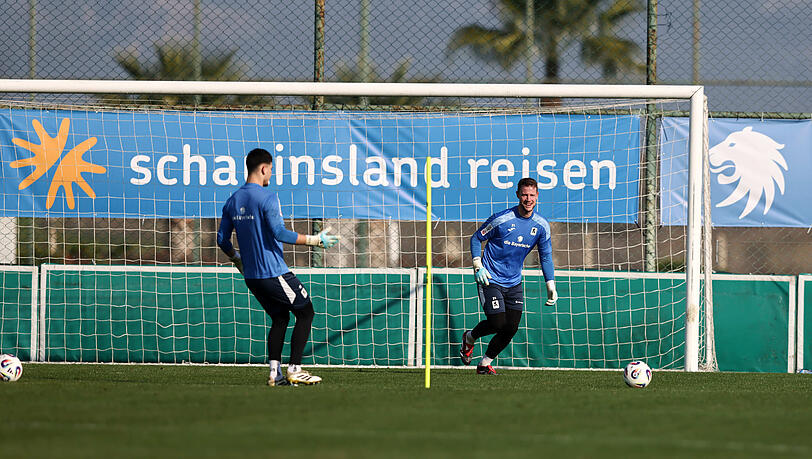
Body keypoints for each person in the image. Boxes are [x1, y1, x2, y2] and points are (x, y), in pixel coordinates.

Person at [217, 148, 339, 386]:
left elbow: (222, 240)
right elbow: (280, 233)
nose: (271, 174)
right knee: (306, 312)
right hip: (273, 272)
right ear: (263, 168)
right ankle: (295, 368)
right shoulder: (267, 197)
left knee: (280, 318)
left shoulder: (232, 200)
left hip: (252, 276)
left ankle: (275, 373)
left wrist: (238, 260)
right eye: (271, 169)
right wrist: (315, 240)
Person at [459, 177, 557, 375]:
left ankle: (484, 364)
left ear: (537, 196)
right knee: (497, 322)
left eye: (531, 195)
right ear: (517, 196)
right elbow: (476, 238)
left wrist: (550, 285)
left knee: (511, 327)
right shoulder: (502, 219)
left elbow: (545, 257)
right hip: (490, 277)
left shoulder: (541, 226)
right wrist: (477, 265)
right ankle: (469, 338)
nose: (528, 199)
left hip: (514, 281)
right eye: (524, 195)